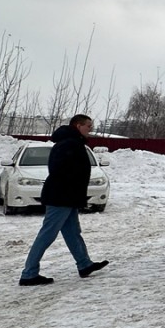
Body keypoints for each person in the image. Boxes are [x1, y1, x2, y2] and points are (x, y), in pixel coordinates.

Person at [18, 114, 110, 286]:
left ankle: (84, 264)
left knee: (73, 232)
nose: (91, 129)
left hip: (68, 196)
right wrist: (73, 184)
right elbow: (59, 169)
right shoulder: (69, 144)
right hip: (61, 197)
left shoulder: (72, 143)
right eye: (88, 126)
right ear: (78, 126)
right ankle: (29, 274)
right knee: (47, 234)